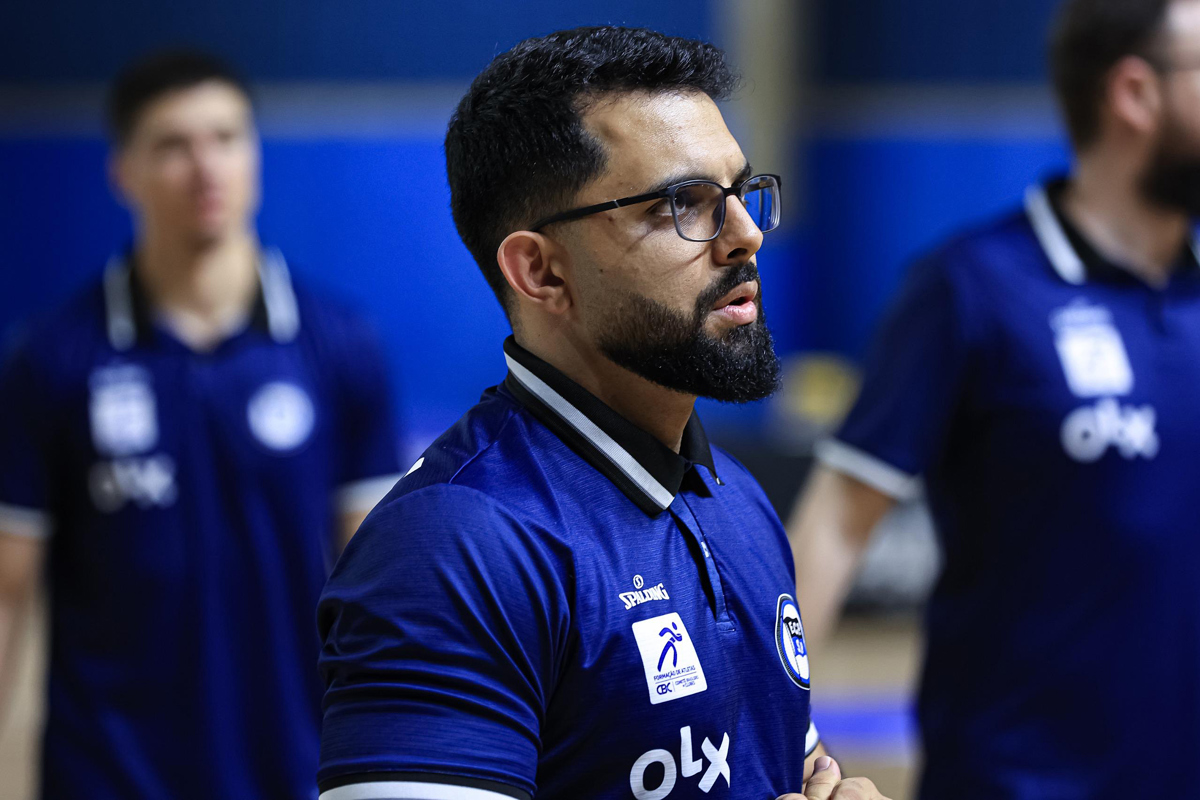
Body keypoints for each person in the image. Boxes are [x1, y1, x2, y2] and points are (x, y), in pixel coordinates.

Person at [315, 26, 888, 800]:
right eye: (683, 204)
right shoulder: (454, 544)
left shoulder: (737, 499)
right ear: (541, 270)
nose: (746, 236)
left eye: (739, 192)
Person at [787, 0, 1200, 796]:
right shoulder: (972, 287)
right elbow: (837, 521)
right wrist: (768, 731)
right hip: (1017, 781)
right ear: (1135, 93)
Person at [0, 51, 403, 798]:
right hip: (107, 773)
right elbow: (6, 592)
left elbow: (381, 582)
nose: (206, 167)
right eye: (173, 145)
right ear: (123, 173)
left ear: (255, 156)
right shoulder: (51, 356)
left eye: (225, 138)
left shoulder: (340, 343)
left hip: (296, 766)